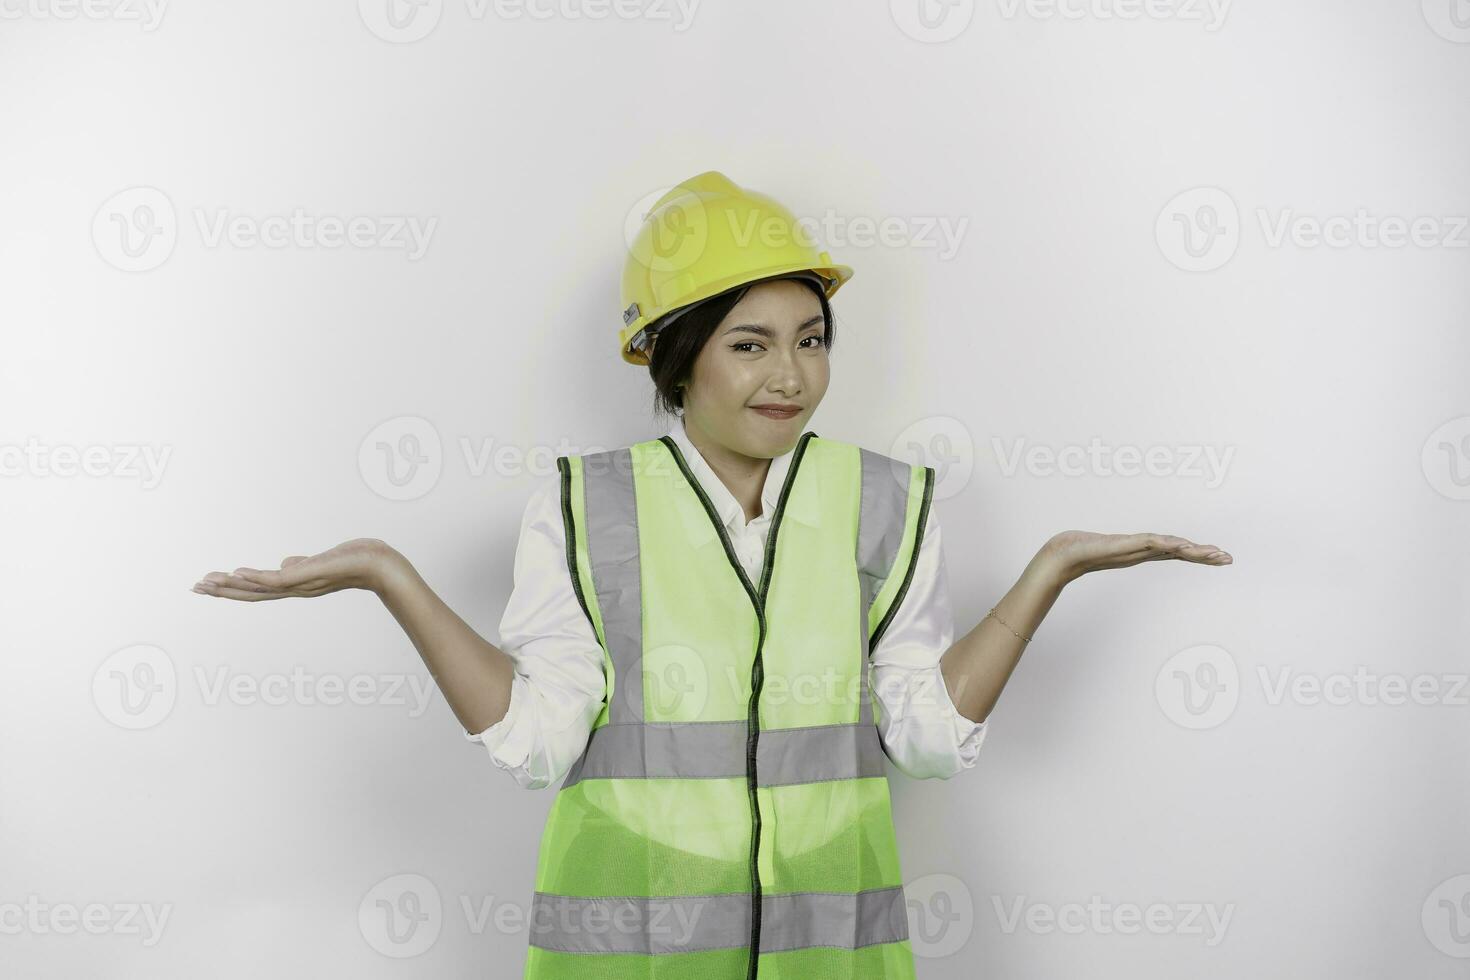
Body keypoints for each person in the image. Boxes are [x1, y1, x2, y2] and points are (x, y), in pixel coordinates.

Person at [191, 170, 1232, 979]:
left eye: (812, 340)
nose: (792, 375)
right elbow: (540, 744)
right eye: (751, 343)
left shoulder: (888, 501)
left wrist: (1046, 573)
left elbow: (924, 738)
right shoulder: (582, 506)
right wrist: (393, 577)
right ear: (675, 355)